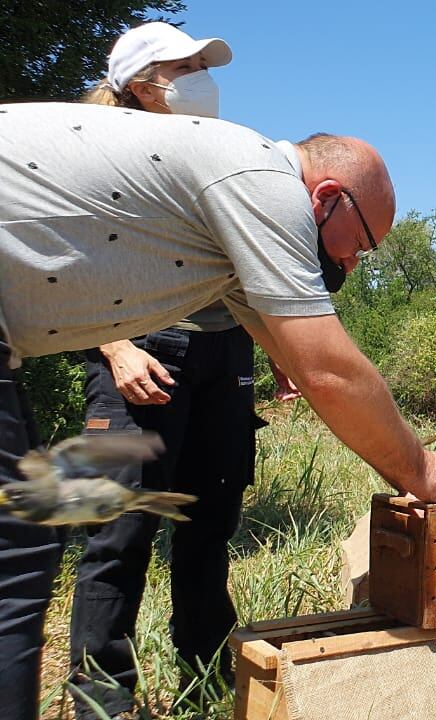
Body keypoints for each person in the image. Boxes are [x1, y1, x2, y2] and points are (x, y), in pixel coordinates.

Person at [0, 101, 436, 720]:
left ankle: (203, 672)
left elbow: (308, 369)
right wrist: (423, 468)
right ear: (326, 197)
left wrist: (401, 473)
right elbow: (329, 372)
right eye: (360, 245)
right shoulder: (263, 185)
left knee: (22, 548)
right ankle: (100, 701)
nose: (355, 265)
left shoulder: (229, 230)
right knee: (18, 555)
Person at [67, 22, 285, 716]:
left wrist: (278, 350)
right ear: (140, 84)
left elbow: (241, 271)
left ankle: (205, 683)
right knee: (118, 535)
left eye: (201, 64)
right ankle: (104, 700)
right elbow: (65, 262)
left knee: (208, 529)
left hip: (222, 359)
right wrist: (115, 344)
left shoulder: (215, 154)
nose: (200, 76)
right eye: (183, 66)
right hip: (139, 355)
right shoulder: (92, 153)